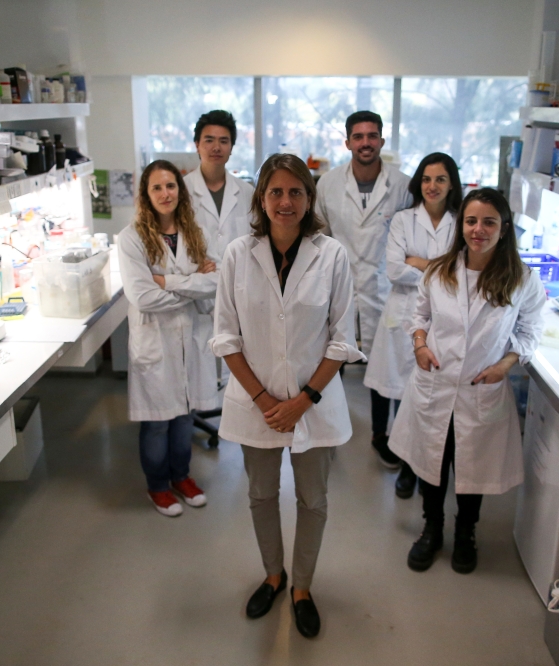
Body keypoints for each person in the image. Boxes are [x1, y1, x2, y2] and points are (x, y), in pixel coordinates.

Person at [212, 153, 363, 639]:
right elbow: (226, 337)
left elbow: (342, 339)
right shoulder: (238, 254)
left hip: (313, 405)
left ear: (309, 198)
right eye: (275, 191)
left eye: (295, 191)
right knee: (260, 495)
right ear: (261, 197)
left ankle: (301, 587)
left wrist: (303, 400)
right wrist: (262, 400)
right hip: (255, 404)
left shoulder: (332, 255)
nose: (285, 201)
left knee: (313, 499)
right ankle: (273, 576)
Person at [388, 188, 545, 574]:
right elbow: (419, 315)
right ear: (462, 226)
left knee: (472, 469)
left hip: (481, 387)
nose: (478, 229)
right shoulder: (440, 270)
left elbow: (530, 332)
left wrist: (505, 364)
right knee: (433, 463)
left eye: (489, 222)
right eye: (471, 221)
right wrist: (420, 345)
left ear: (504, 229)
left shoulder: (521, 279)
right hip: (435, 383)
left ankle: (466, 533)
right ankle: (432, 530)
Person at [118, 160, 219, 517]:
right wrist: (192, 287)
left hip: (190, 338)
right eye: (157, 188)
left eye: (171, 186)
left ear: (180, 189)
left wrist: (168, 282)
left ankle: (182, 476)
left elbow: (217, 282)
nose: (165, 193)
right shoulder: (130, 238)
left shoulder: (196, 232)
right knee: (158, 420)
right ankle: (158, 486)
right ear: (146, 195)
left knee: (184, 415)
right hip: (155, 341)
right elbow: (142, 296)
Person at [315, 110, 411, 469]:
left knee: (386, 369)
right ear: (348, 142)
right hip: (338, 288)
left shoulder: (402, 185)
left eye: (372, 136)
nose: (365, 142)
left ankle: (382, 437)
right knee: (331, 361)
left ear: (382, 141)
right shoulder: (327, 184)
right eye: (358, 136)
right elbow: (319, 236)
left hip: (387, 288)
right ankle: (327, 430)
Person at [364, 153, 462, 499]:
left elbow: (460, 273)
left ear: (452, 185)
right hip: (402, 313)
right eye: (426, 179)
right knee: (398, 391)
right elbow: (394, 270)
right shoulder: (404, 220)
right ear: (418, 183)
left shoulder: (461, 221)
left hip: (443, 320)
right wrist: (442, 268)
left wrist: (419, 262)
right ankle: (405, 465)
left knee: (426, 398)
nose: (432, 186)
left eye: (440, 179)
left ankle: (415, 467)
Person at [183, 110, 256, 261]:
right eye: (209, 140)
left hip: (239, 279)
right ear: (197, 145)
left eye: (223, 141)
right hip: (196, 280)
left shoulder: (247, 193)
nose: (216, 147)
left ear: (231, 148)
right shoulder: (181, 191)